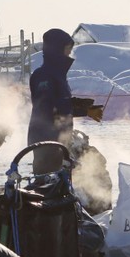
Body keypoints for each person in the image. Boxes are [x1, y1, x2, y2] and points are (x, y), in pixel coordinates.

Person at [28, 28, 102, 174]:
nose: (69, 52)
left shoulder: (57, 75)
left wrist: (81, 104)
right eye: (67, 48)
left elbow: (60, 101)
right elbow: (48, 107)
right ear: (56, 49)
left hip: (59, 141)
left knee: (62, 182)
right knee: (48, 182)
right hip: (46, 141)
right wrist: (83, 110)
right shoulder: (43, 76)